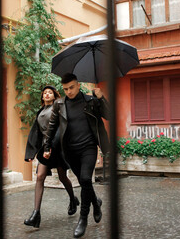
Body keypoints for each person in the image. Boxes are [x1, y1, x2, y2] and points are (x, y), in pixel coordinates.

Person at [43, 73, 110, 238]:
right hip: (70, 151)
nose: (69, 91)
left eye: (71, 87)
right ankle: (96, 202)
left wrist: (101, 98)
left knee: (86, 179)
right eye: (65, 89)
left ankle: (83, 219)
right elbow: (52, 126)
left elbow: (109, 115)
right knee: (83, 182)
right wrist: (47, 146)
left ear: (78, 85)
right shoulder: (60, 104)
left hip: (88, 148)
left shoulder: (91, 101)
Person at [24, 85, 79, 228]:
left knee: (62, 177)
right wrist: (31, 153)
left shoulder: (59, 107)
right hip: (46, 148)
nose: (47, 94)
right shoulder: (41, 112)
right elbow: (35, 133)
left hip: (58, 147)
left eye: (50, 93)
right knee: (40, 177)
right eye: (45, 93)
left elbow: (62, 127)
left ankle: (73, 199)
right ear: (42, 97)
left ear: (54, 96)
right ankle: (36, 214)